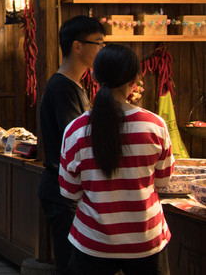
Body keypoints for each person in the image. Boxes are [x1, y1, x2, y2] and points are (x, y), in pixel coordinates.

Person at [59, 44, 174, 275]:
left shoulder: (76, 130)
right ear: (134, 80)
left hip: (93, 241)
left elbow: (70, 192)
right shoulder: (155, 125)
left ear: (93, 75)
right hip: (146, 240)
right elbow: (162, 183)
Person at [37, 15, 106, 275]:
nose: (102, 50)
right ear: (77, 46)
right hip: (62, 190)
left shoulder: (72, 84)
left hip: (63, 187)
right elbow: (78, 144)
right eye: (98, 43)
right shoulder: (63, 88)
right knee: (71, 265)